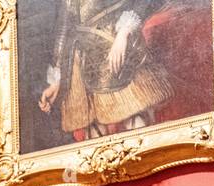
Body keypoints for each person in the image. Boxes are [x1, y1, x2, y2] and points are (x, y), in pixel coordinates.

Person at [38, 0, 174, 141]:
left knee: (135, 124)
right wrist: (56, 79)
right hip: (82, 61)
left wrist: (123, 32)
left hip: (114, 48)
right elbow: (64, 28)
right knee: (94, 134)